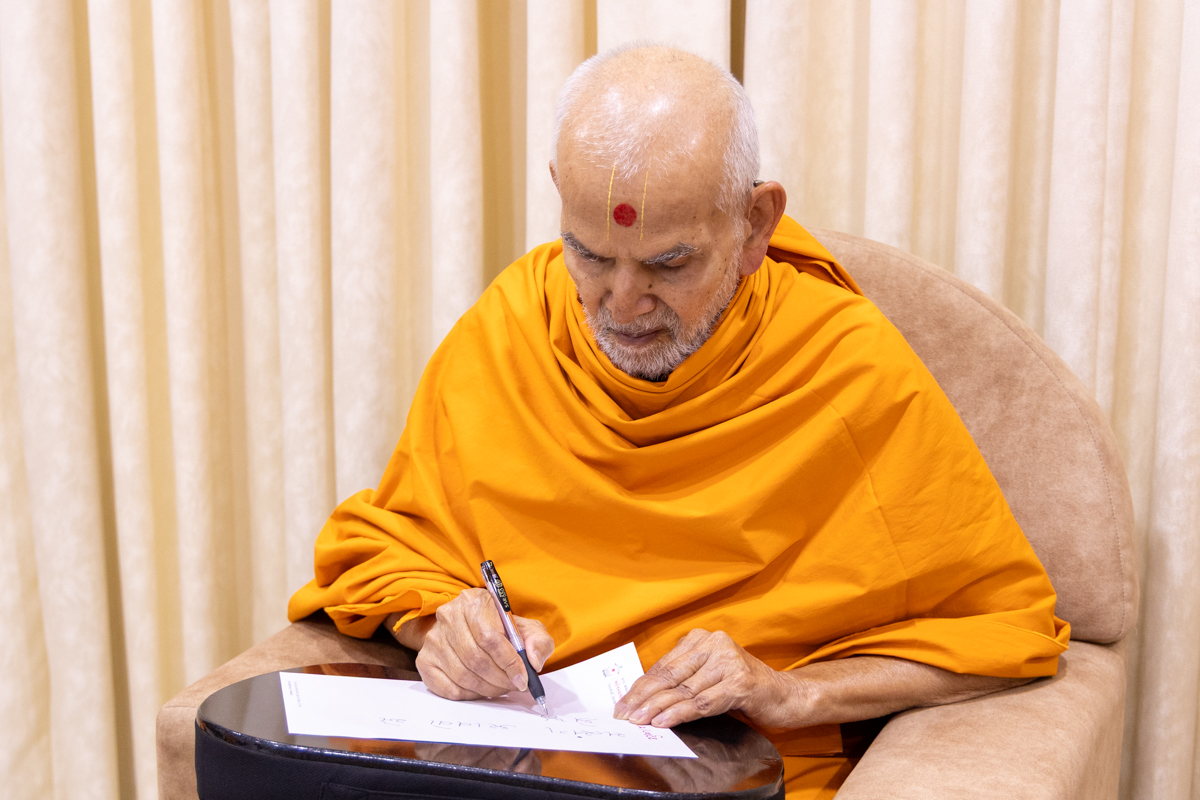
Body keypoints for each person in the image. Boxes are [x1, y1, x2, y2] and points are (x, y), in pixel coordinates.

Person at [288, 44, 1068, 798]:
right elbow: (388, 551)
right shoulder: (514, 326)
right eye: (590, 255)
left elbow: (1000, 626)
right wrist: (443, 632)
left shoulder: (843, 368)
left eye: (668, 264)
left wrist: (789, 691)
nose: (622, 305)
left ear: (755, 223)